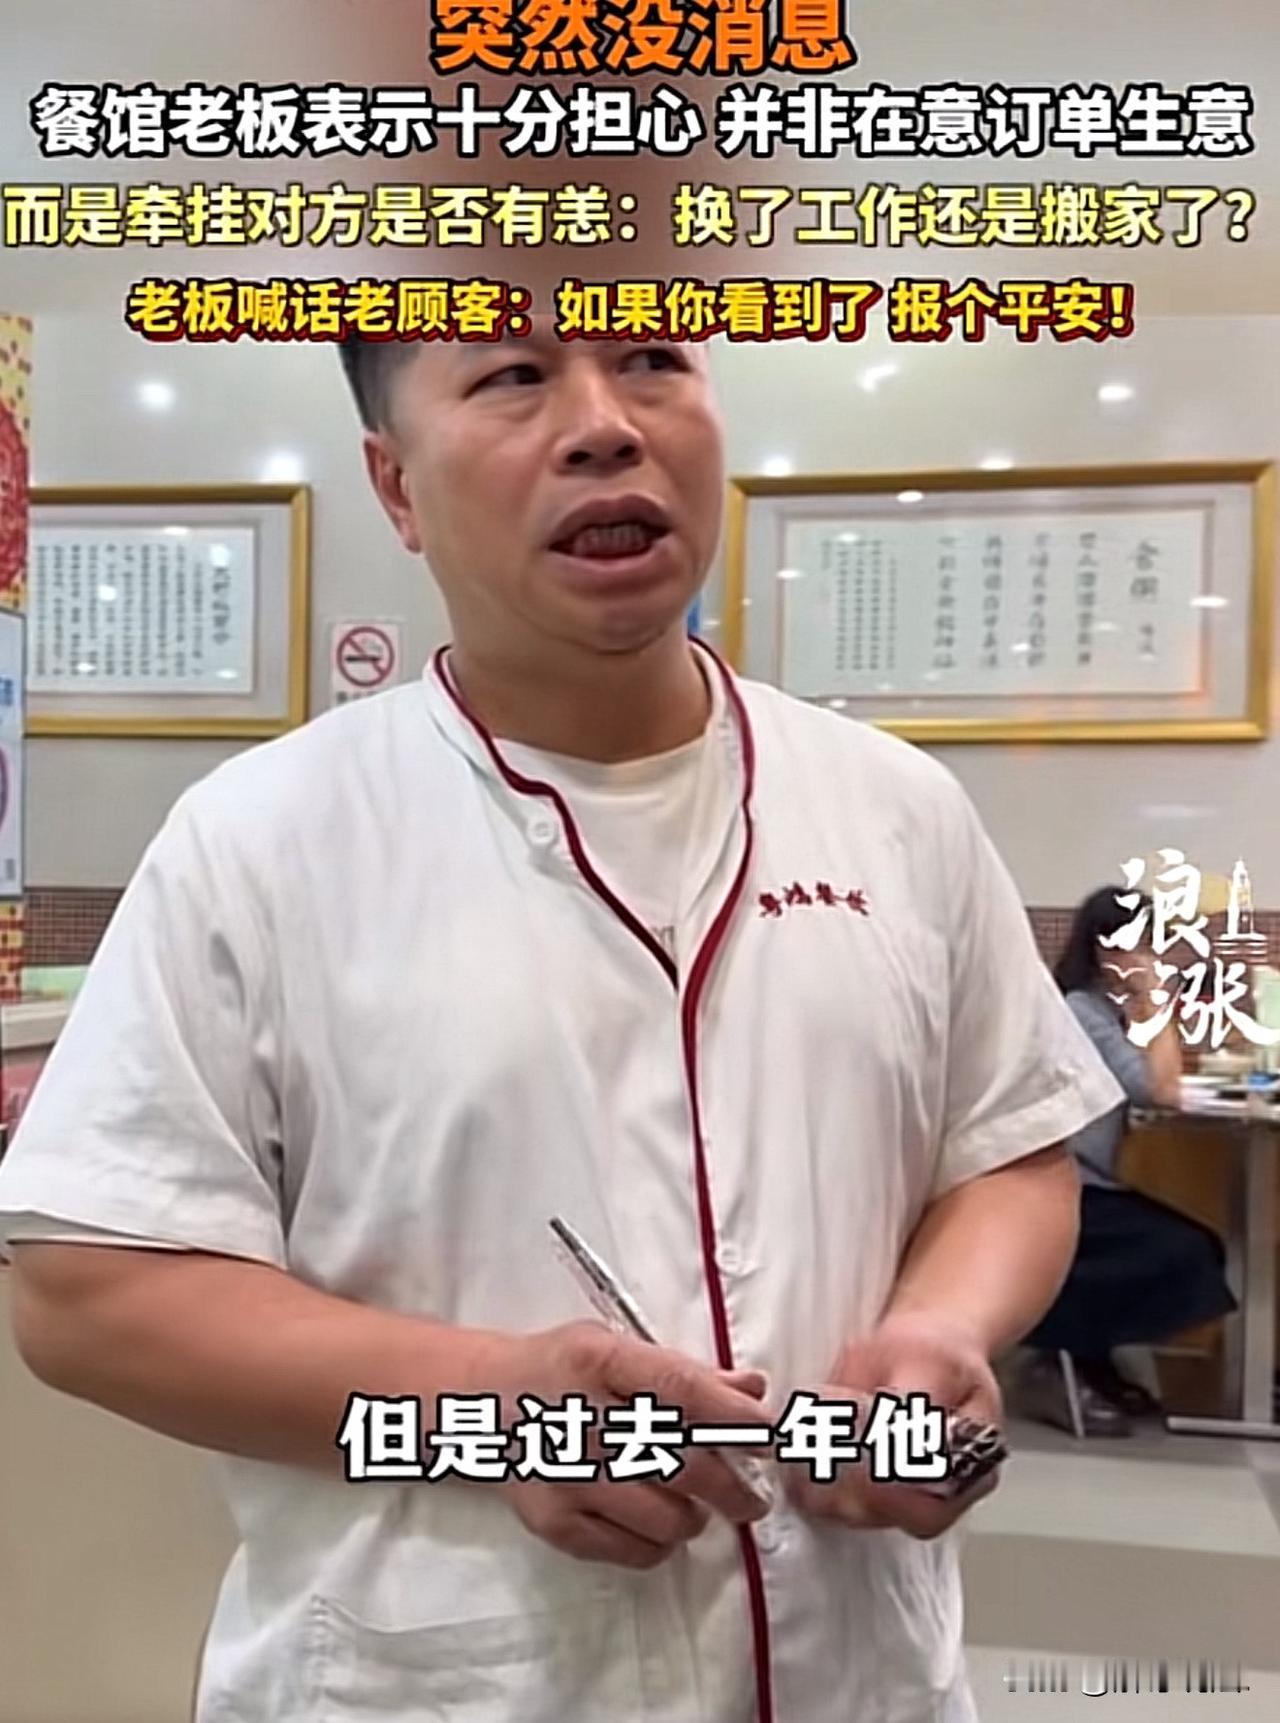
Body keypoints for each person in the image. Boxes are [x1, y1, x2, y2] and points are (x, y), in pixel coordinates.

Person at [0, 330, 1123, 1723]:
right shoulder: (259, 841)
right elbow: (87, 1295)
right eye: (512, 377)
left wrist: (941, 1326)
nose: (604, 423)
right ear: (396, 487)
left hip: (862, 1672)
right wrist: (480, 1404)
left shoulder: (894, 807)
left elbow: (1007, 1152)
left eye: (652, 358)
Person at [1020, 886, 1236, 1437]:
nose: (1155, 956)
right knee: (1184, 1250)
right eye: (1145, 944)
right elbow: (1161, 1089)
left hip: (1092, 1182)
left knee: (1195, 1241)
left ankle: (1091, 1360)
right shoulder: (1082, 1011)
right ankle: (1058, 1360)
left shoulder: (1106, 1011)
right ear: (1106, 949)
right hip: (1065, 1189)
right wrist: (1154, 1000)